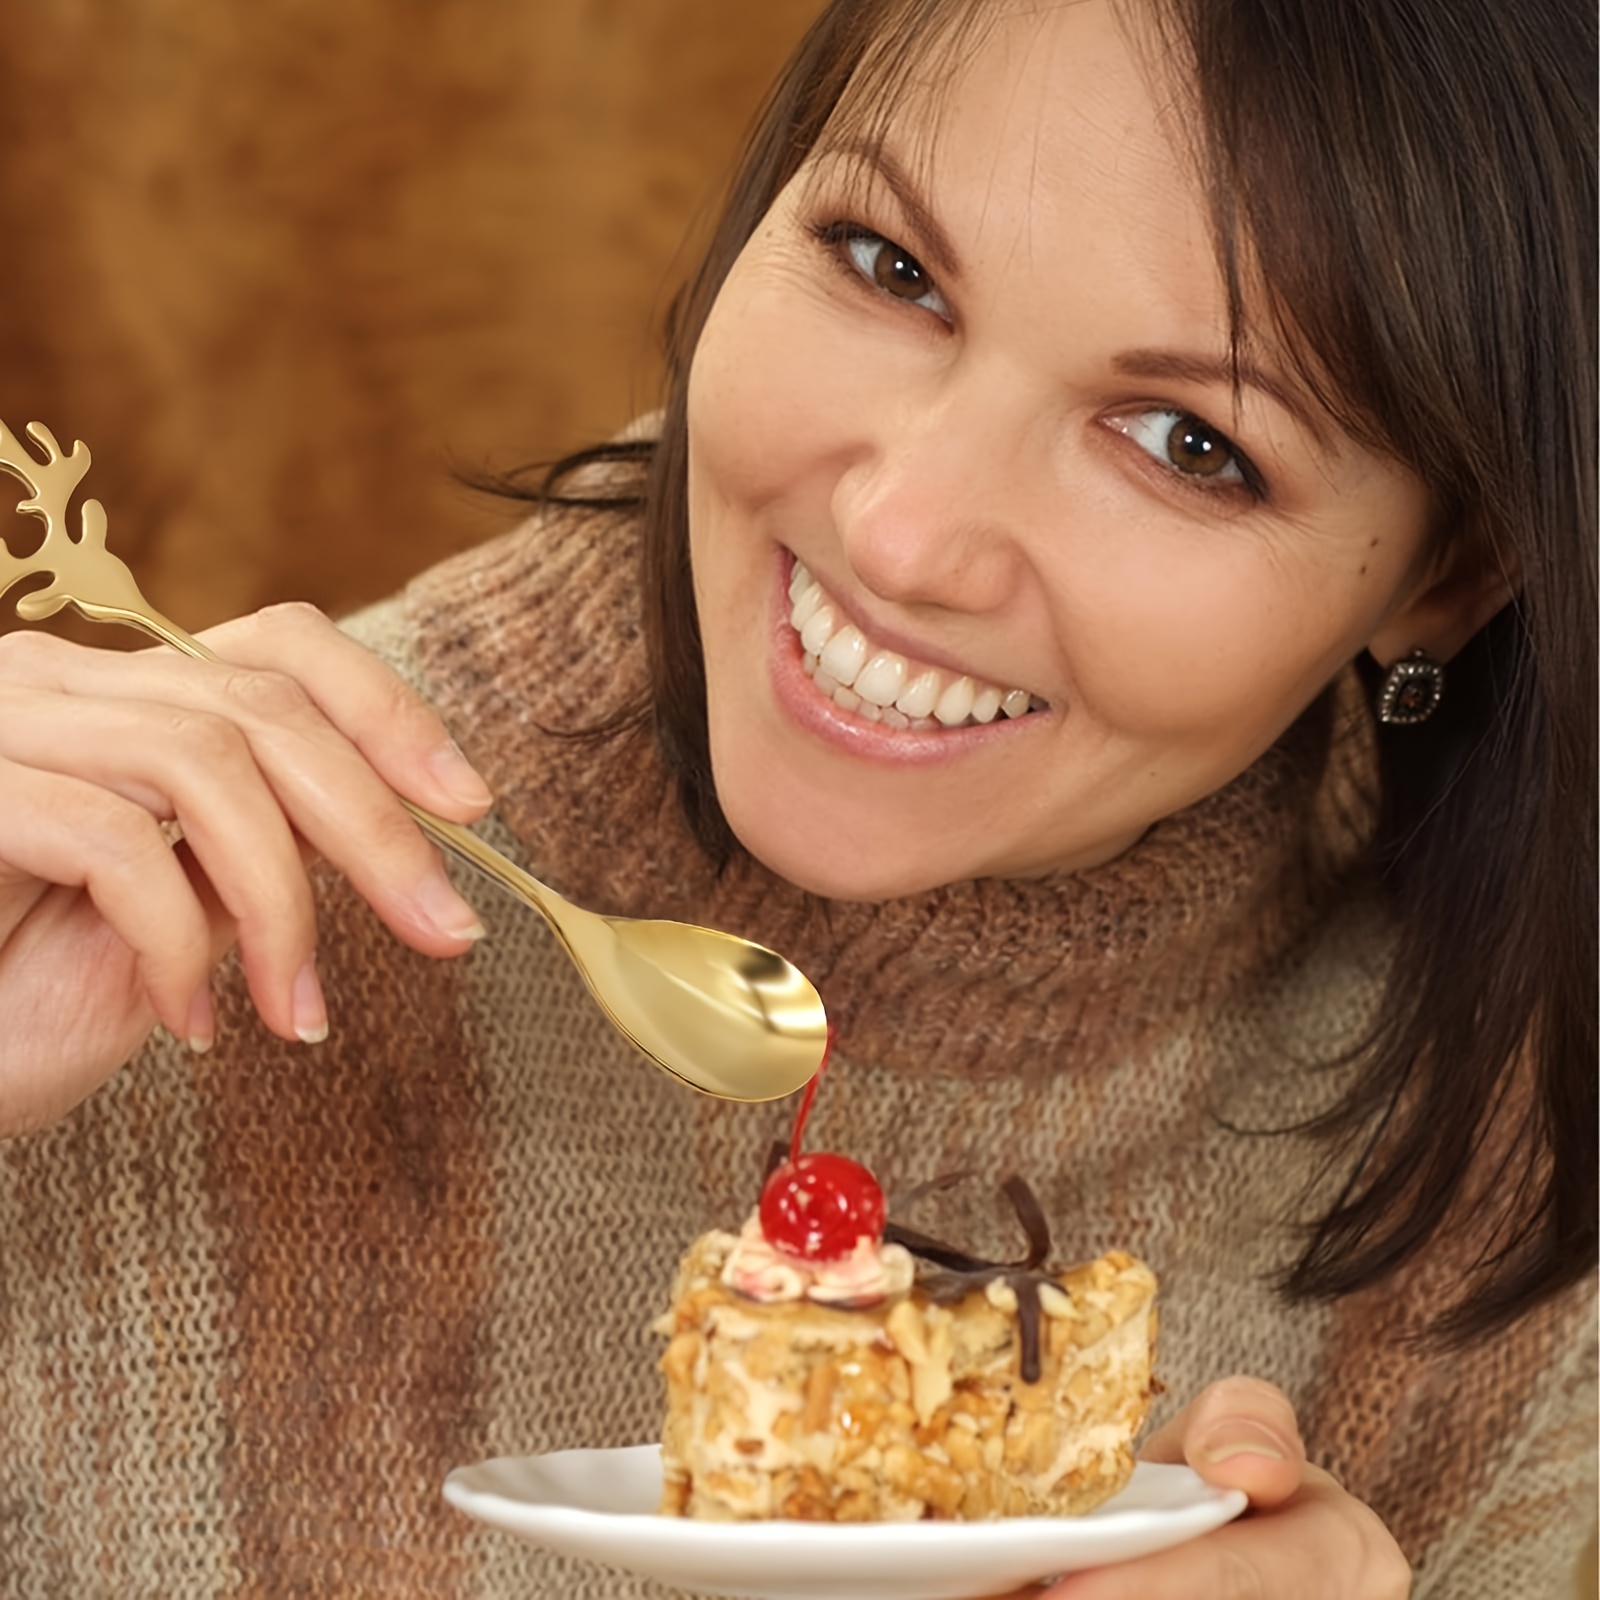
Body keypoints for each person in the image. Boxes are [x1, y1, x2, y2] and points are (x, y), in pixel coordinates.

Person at [0, 0, 1591, 1595]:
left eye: (1188, 441)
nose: (904, 536)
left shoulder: (1525, 1182)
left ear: (1450, 574)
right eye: (890, 267)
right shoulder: (112, 932)